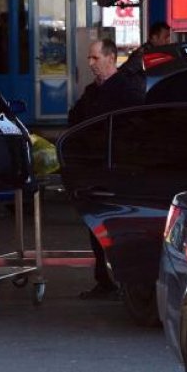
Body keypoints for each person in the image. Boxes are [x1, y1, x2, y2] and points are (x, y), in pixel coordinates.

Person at [67, 39, 145, 299]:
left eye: (94, 58)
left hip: (117, 168)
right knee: (95, 226)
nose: (90, 64)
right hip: (93, 167)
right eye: (89, 58)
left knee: (117, 226)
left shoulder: (127, 91)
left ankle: (127, 281)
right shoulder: (92, 91)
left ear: (110, 58)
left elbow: (134, 127)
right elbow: (74, 120)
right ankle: (104, 279)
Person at [119, 21, 171, 91]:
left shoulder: (159, 53)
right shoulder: (142, 55)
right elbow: (124, 73)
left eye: (168, 37)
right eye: (165, 37)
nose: (168, 41)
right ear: (154, 38)